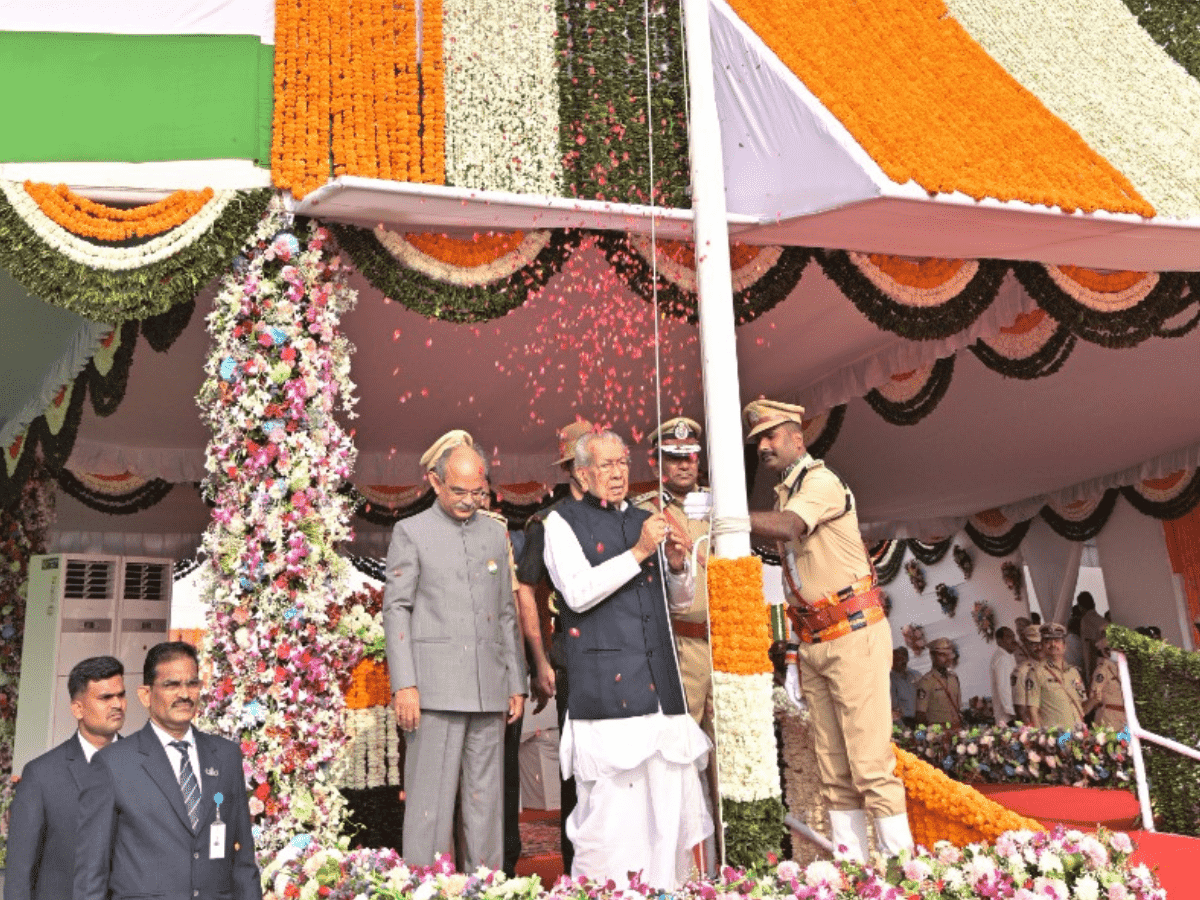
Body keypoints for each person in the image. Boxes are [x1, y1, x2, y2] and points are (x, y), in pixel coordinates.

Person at [744, 398, 912, 862]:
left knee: (871, 767)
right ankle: (855, 871)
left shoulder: (818, 482)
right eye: (758, 439)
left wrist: (729, 517)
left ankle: (903, 874)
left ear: (798, 437)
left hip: (852, 634)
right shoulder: (785, 492)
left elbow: (790, 526)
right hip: (816, 641)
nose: (763, 446)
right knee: (833, 770)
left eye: (771, 435)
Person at [543, 429, 712, 888]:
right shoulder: (561, 522)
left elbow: (676, 602)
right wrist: (639, 551)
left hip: (660, 686)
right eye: (605, 465)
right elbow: (576, 593)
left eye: (623, 463)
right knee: (612, 821)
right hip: (607, 690)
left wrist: (676, 564)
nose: (617, 473)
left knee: (667, 814)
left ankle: (666, 892)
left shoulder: (646, 516)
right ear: (582, 473)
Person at [384, 435, 527, 870]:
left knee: (487, 806)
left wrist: (515, 682)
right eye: (459, 491)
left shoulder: (495, 531)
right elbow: (397, 610)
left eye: (477, 492)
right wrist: (404, 684)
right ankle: (424, 886)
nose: (469, 501)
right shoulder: (411, 531)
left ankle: (485, 887)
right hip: (433, 693)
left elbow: (505, 611)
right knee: (430, 807)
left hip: (489, 690)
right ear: (434, 482)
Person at [74, 642, 260, 900]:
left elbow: (243, 861)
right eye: (171, 685)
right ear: (145, 695)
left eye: (192, 684)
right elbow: (90, 874)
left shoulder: (226, 756)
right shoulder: (112, 764)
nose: (184, 694)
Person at [635, 416, 718, 872]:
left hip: (727, 644)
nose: (684, 465)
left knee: (733, 760)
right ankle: (689, 871)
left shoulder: (720, 505)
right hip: (679, 646)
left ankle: (732, 864)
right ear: (659, 462)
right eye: (674, 457)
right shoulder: (646, 510)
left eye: (689, 456)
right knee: (682, 760)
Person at [514, 417, 594, 873]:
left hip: (624, 659)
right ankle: (577, 871)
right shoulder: (546, 521)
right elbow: (528, 589)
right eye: (582, 462)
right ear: (571, 468)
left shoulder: (625, 517)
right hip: (573, 658)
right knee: (576, 771)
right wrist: (540, 657)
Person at [6, 656, 125, 900]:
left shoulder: (143, 767)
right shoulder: (41, 775)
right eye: (105, 698)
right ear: (78, 709)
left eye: (121, 695)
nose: (118, 705)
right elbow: (20, 872)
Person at [1027, 623, 1087, 729]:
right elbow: (1033, 711)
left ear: (1064, 646)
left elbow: (1081, 701)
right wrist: (1040, 737)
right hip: (1056, 737)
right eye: (1047, 642)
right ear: (1042, 645)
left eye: (1057, 641)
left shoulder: (1073, 672)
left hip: (1077, 734)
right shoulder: (1036, 672)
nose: (1053, 644)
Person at [915, 638, 963, 729]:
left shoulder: (954, 678)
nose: (947, 658)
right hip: (938, 733)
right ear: (932, 656)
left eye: (948, 654)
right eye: (942, 655)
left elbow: (958, 707)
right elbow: (920, 715)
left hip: (956, 728)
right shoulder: (926, 681)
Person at [1088, 635, 1126, 729]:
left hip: (1121, 717)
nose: (1120, 652)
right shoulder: (1102, 670)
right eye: (1117, 649)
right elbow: (1094, 696)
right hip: (1108, 717)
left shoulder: (1118, 670)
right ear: (1106, 651)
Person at [1011, 624, 1043, 724]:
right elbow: (1022, 711)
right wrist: (1038, 736)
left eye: (1041, 643)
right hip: (1045, 732)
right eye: (1034, 644)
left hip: (1064, 727)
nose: (1039, 647)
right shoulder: (1022, 672)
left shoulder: (1055, 667)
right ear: (1026, 645)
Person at [989, 626, 1019, 725]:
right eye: (1009, 637)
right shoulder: (1002, 658)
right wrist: (1012, 711)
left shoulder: (1008, 655)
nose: (1013, 640)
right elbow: (1004, 687)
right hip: (1008, 717)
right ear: (999, 641)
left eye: (1013, 636)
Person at [1077, 592, 1107, 682]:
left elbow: (1089, 647)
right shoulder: (1103, 620)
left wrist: (1090, 674)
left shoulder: (1086, 620)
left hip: (1096, 667)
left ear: (1081, 606)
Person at [889, 647, 919, 727]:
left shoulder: (916, 675)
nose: (903, 661)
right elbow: (893, 708)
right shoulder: (890, 680)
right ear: (892, 661)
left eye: (904, 658)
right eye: (898, 659)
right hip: (904, 723)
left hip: (920, 720)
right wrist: (903, 729)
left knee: (922, 737)